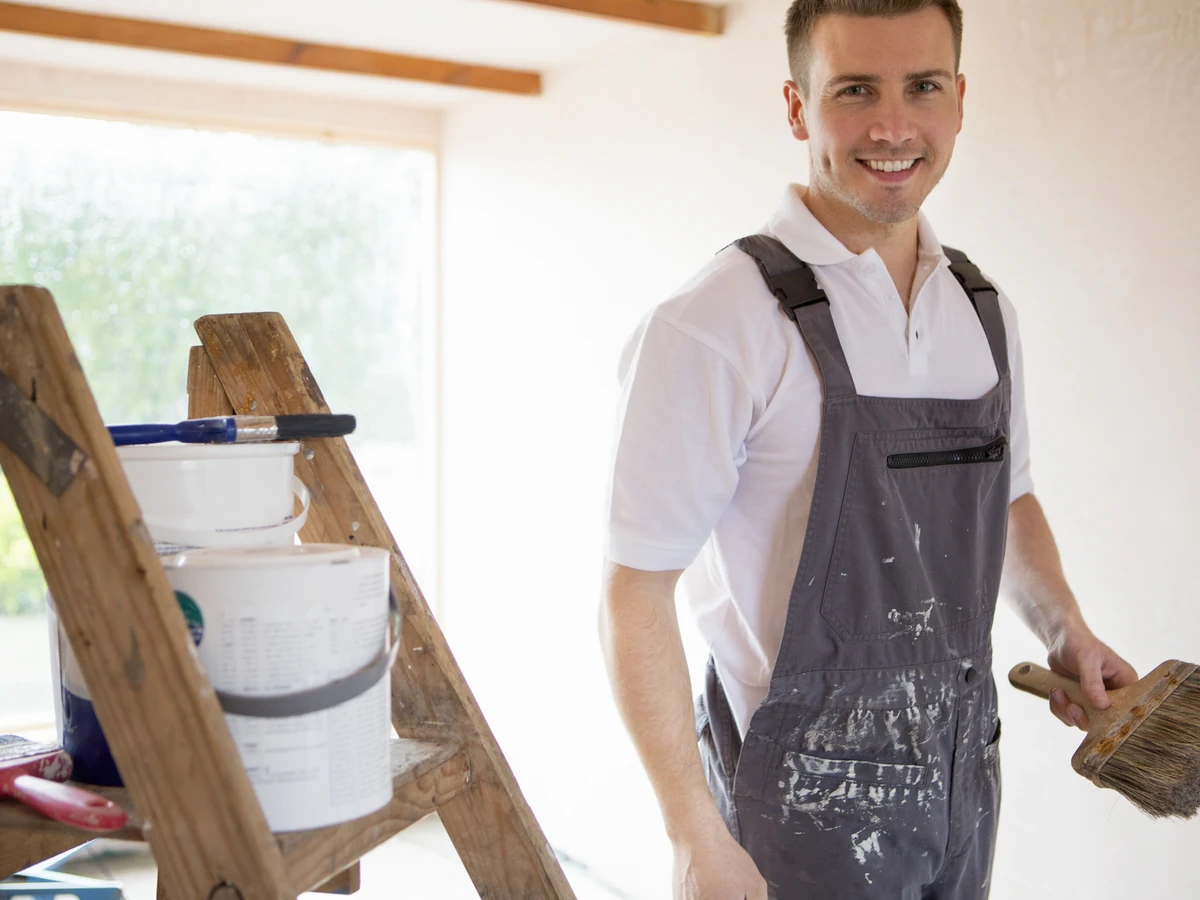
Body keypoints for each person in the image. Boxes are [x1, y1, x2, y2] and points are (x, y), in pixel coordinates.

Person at [598, 1, 1137, 897]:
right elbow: (633, 594)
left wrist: (1066, 628)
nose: (893, 127)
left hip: (961, 792)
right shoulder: (717, 323)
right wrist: (695, 837)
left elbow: (1010, 494)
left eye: (921, 86)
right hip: (792, 819)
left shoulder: (984, 311)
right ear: (798, 107)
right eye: (855, 90)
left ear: (958, 100)